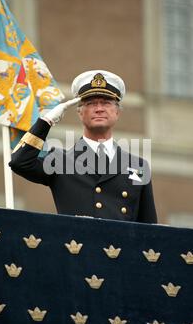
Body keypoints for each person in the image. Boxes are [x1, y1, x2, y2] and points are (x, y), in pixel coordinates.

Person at [9, 70, 157, 223]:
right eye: (91, 103)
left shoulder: (137, 166)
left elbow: (150, 228)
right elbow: (19, 162)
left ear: (117, 112)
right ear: (80, 113)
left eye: (106, 102)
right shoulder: (60, 161)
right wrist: (46, 122)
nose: (99, 108)